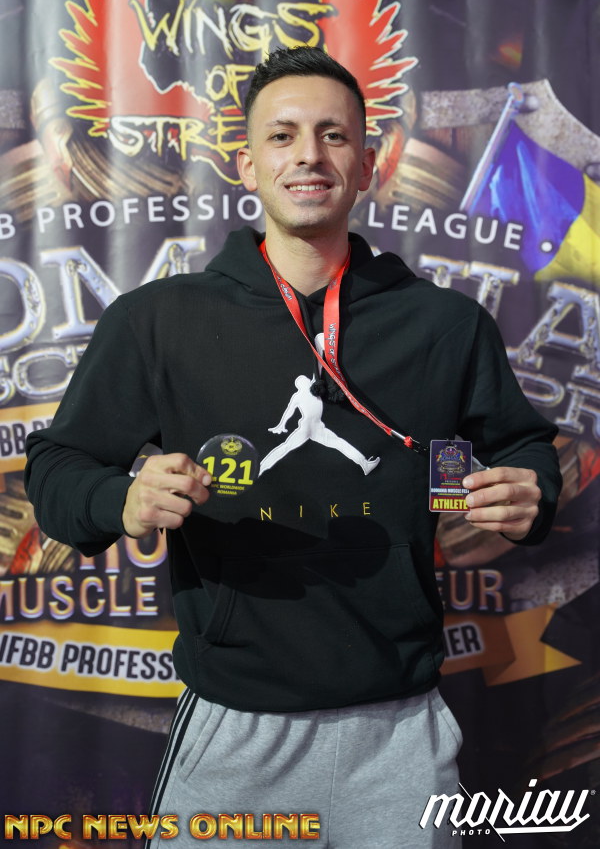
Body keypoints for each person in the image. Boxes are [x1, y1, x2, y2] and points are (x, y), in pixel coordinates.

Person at [25, 46, 561, 847]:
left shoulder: (444, 325)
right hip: (234, 734)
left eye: (333, 135)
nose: (309, 155)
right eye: (282, 136)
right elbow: (57, 470)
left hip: (400, 734)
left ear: (368, 165)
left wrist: (529, 492)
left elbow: (525, 447)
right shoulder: (156, 321)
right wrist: (122, 500)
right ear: (247, 164)